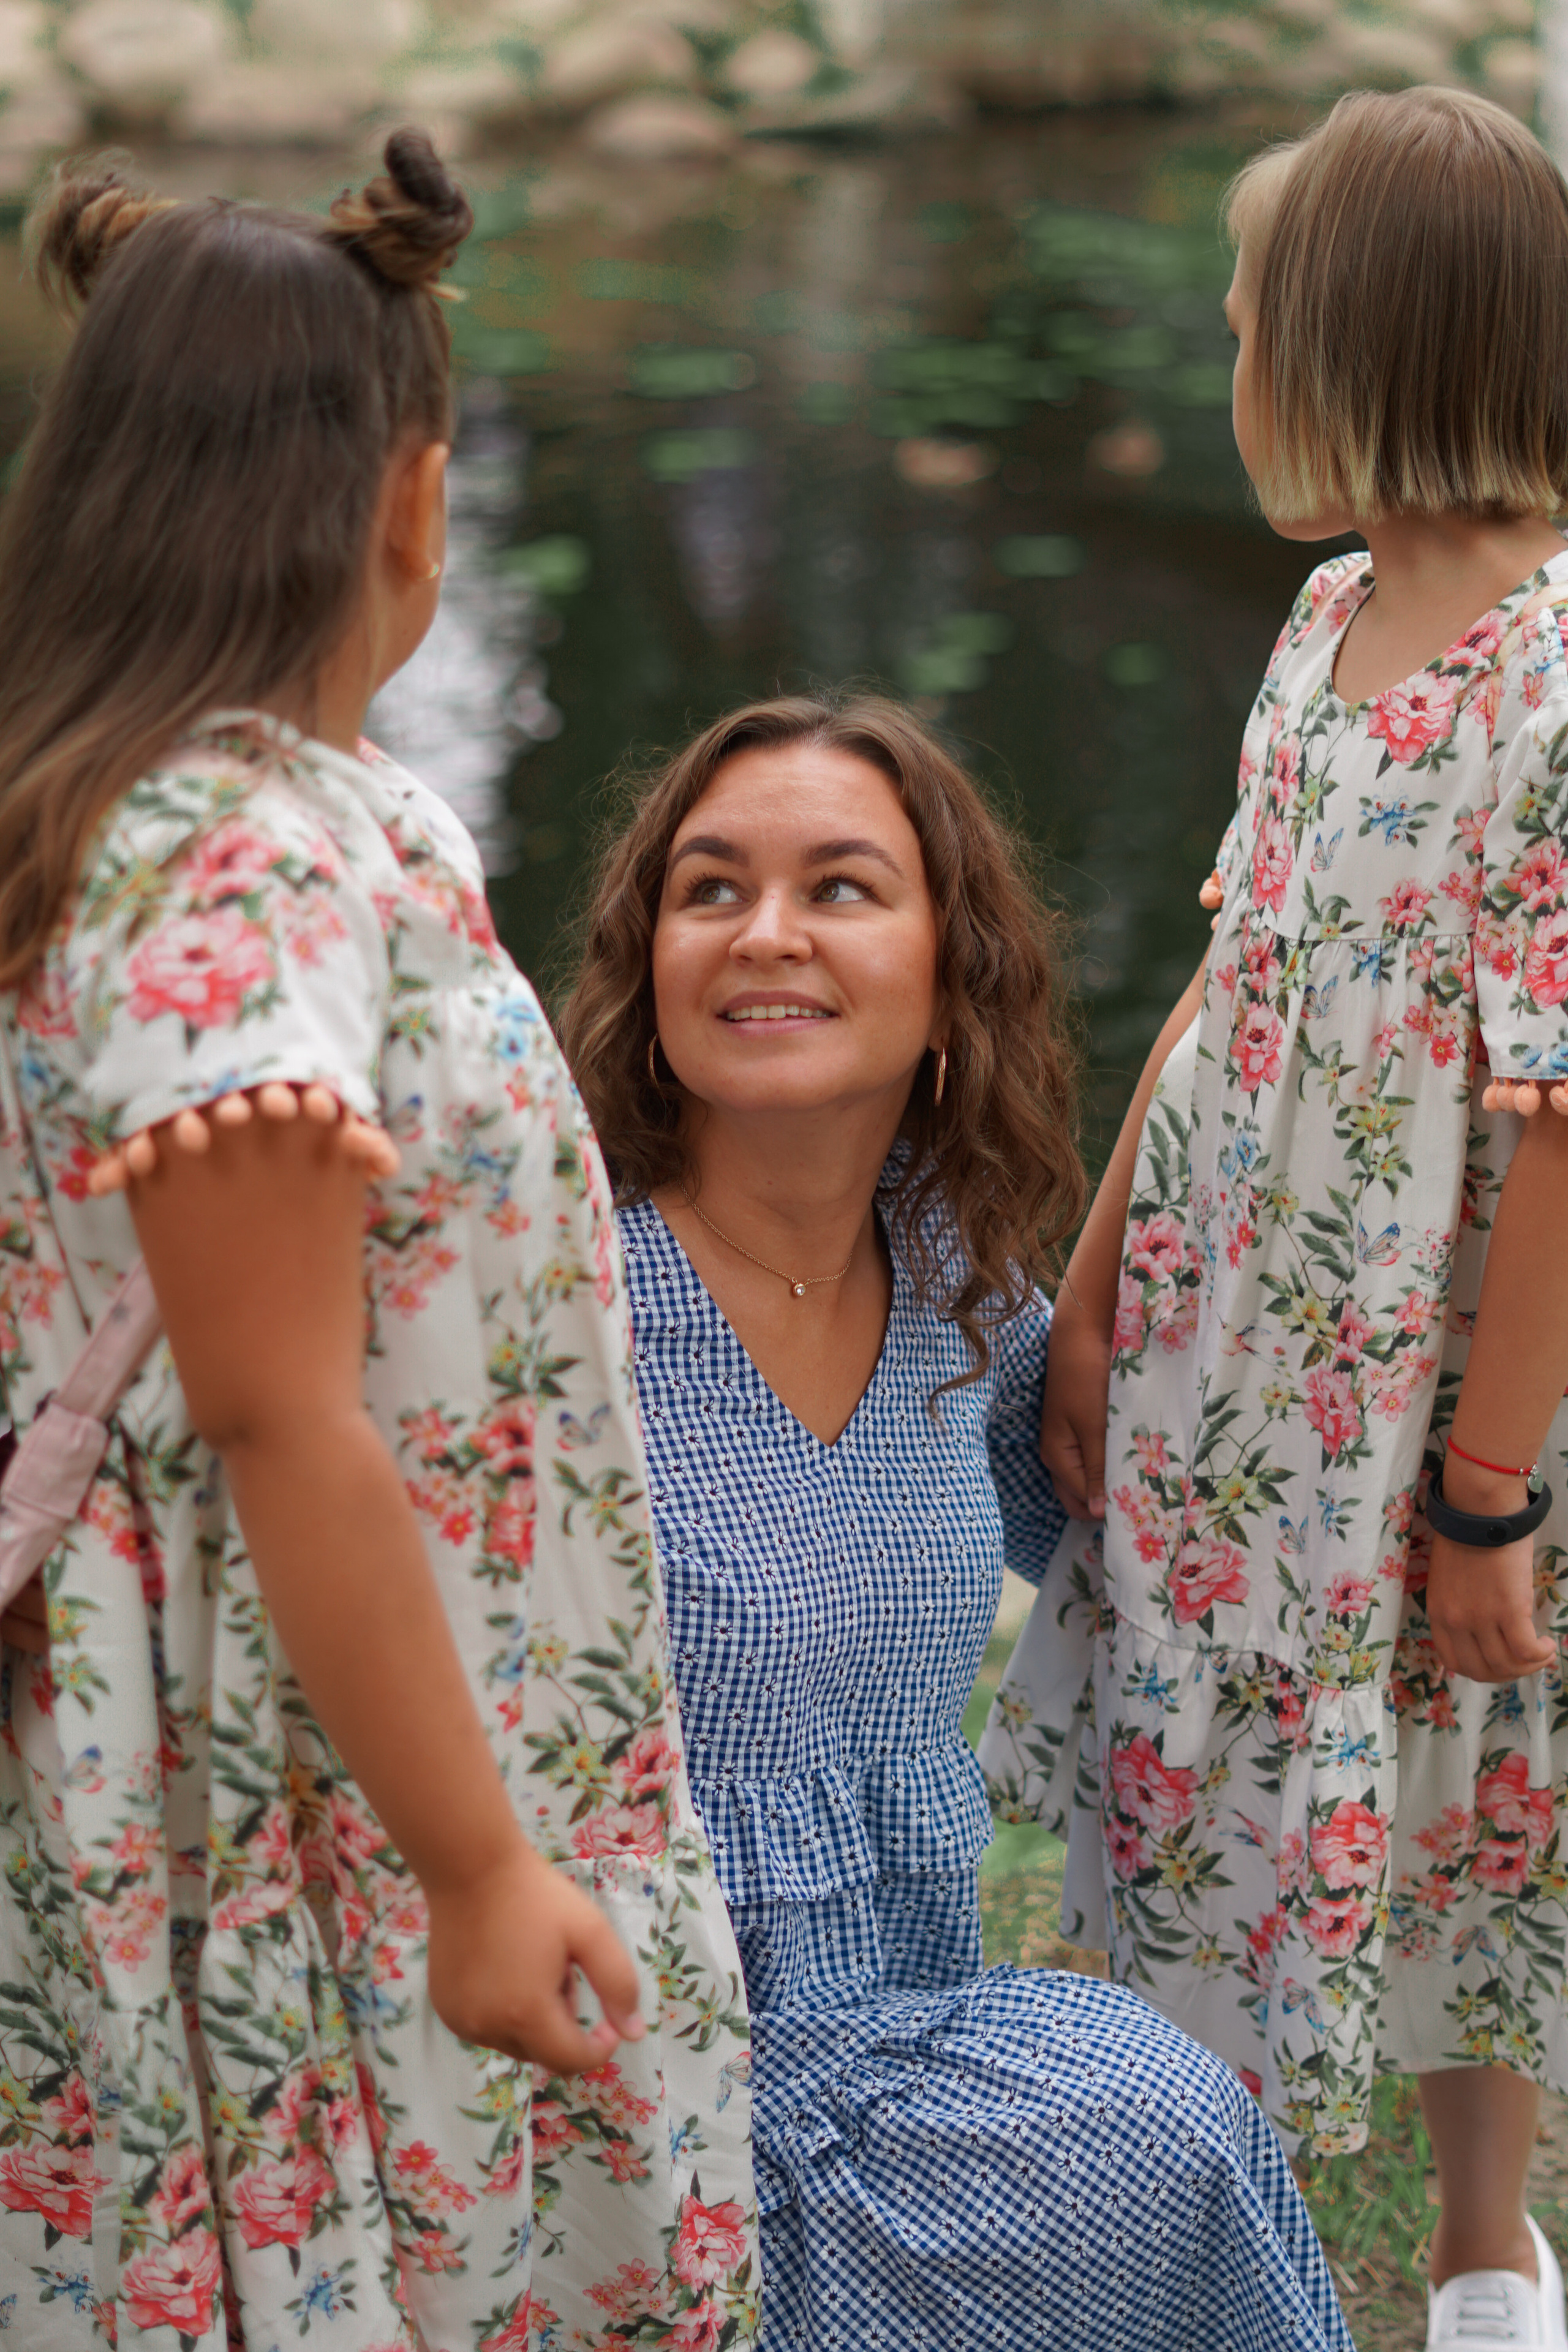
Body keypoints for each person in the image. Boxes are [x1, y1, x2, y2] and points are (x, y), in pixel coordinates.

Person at [0, 140, 756, 2347]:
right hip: (298, 1753)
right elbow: (273, 1407)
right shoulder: (218, 867)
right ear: (404, 500)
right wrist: (474, 1862)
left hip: (426, 1669)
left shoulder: (313, 814)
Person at [981, 85, 1568, 2351]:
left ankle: (1485, 2253)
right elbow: (1238, 963)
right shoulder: (1323, 622)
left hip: (1430, 1378)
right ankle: (1173, 2200)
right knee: (1198, 1744)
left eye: (1246, 323)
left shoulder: (1548, 676)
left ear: (1349, 351)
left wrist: (1490, 1490)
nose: (1227, 362)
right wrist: (1107, 1280)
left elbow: (1561, 1118)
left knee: (1471, 1775)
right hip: (1241, 1349)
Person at [558, 690, 1354, 2351]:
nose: (764, 933)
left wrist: (1261, 944)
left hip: (897, 2046)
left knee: (1177, 2121)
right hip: (608, 2098)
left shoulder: (956, 1283)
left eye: (839, 888)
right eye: (710, 891)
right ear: (650, 974)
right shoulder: (554, 1304)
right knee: (1155, 2109)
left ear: (949, 982)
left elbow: (1183, 1400)